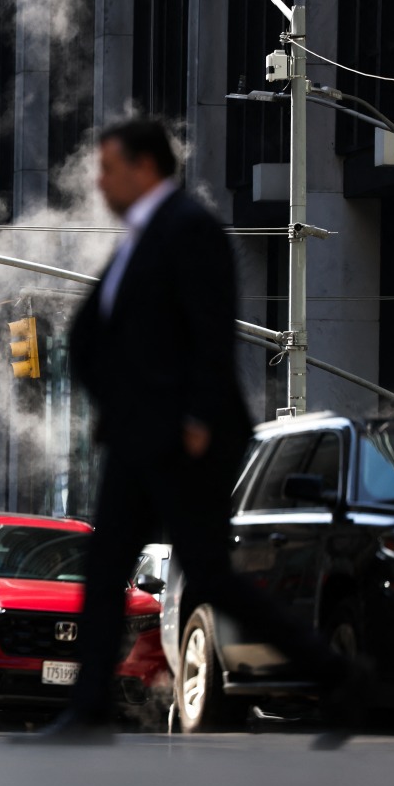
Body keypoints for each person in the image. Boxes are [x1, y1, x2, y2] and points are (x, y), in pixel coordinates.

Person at [27, 117, 355, 744]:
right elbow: (104, 332)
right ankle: (88, 706)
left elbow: (210, 331)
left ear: (144, 167)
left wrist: (199, 418)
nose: (99, 180)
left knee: (208, 572)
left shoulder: (188, 228)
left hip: (181, 436)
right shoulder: (141, 236)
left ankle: (333, 672)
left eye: (109, 167)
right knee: (106, 564)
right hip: (138, 434)